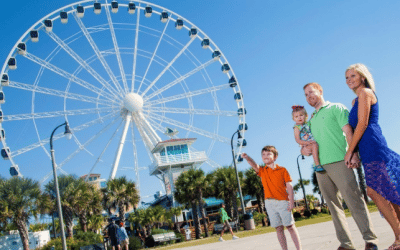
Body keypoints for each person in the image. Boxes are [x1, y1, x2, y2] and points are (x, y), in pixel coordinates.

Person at [303, 82, 378, 250]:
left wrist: (353, 154)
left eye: (311, 92)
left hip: (340, 160)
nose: (309, 97)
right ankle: (346, 244)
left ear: (320, 91)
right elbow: (311, 142)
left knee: (354, 201)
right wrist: (305, 148)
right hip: (321, 167)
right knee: (333, 207)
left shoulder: (336, 108)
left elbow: (348, 132)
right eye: (306, 95)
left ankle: (370, 240)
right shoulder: (311, 120)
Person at [345, 63, 400, 250]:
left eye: (353, 76)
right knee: (387, 191)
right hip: (365, 148)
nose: (349, 80)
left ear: (362, 77)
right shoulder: (354, 101)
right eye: (347, 77)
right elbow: (352, 128)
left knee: (375, 191)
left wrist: (350, 151)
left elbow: (362, 124)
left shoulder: (365, 93)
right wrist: (355, 151)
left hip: (373, 144)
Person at [242, 146, 302, 250]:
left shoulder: (282, 170)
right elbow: (253, 165)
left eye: (268, 154)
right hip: (269, 203)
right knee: (278, 228)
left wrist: (291, 201)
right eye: (263, 154)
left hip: (283, 201)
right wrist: (247, 157)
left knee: (290, 227)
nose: (265, 156)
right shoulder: (262, 171)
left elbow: (289, 186)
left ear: (275, 157)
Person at [291, 105, 324, 172]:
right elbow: (297, 140)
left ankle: (317, 163)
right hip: (306, 144)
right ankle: (317, 164)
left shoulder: (308, 123)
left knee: (315, 146)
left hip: (312, 141)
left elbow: (312, 120)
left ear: (306, 116)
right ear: (293, 119)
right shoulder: (297, 127)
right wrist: (307, 143)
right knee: (314, 145)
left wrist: (313, 116)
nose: (299, 118)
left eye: (301, 115)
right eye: (296, 117)